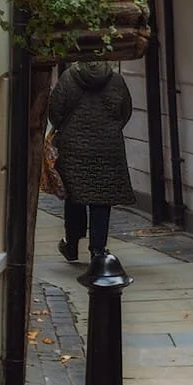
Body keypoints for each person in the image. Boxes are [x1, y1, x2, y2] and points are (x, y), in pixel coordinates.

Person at [47, 59, 133, 267]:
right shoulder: (116, 80)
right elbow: (125, 111)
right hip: (107, 147)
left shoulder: (68, 79)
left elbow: (55, 112)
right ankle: (98, 249)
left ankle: (72, 244)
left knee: (75, 196)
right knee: (102, 199)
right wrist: (109, 129)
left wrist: (66, 129)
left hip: (73, 147)